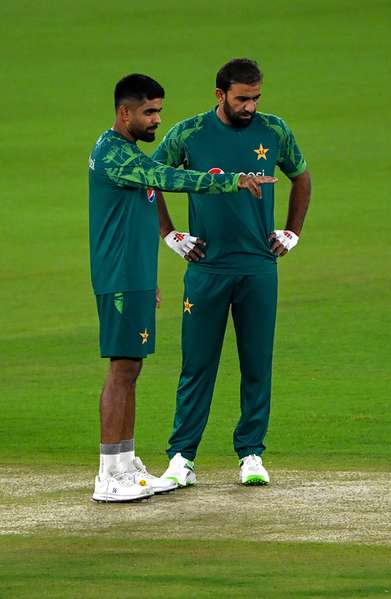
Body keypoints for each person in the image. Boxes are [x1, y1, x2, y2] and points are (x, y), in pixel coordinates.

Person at [88, 73, 277, 502]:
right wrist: (231, 181)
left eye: (159, 110)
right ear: (124, 112)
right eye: (149, 112)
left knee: (131, 368)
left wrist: (149, 279)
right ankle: (110, 473)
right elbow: (171, 178)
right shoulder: (115, 155)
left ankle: (125, 461)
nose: (157, 120)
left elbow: (138, 217)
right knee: (122, 370)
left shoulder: (127, 153)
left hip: (133, 277)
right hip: (119, 278)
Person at [152, 58, 312, 487]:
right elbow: (151, 179)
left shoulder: (274, 130)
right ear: (220, 95)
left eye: (256, 98)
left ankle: (252, 454)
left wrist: (292, 232)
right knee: (196, 364)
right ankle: (182, 458)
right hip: (206, 266)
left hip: (259, 266)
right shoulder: (188, 134)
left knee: (257, 362)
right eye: (243, 99)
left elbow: (302, 177)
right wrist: (170, 233)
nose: (251, 107)